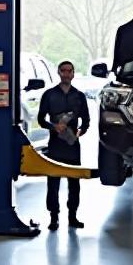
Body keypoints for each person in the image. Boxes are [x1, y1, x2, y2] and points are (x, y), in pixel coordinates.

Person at [37, 60, 91, 231]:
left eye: (70, 71)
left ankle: (73, 217)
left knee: (74, 183)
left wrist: (80, 131)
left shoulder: (80, 96)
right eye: (63, 71)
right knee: (53, 183)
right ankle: (54, 218)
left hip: (73, 145)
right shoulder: (49, 95)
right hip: (54, 144)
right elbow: (40, 119)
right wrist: (54, 127)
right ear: (59, 73)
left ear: (74, 74)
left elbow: (87, 121)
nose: (67, 74)